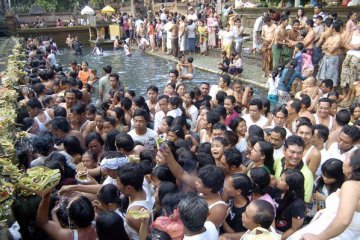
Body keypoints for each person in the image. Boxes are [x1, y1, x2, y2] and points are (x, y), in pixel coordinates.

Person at [289, 148, 360, 240]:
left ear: (353, 166)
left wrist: (318, 238)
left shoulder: (351, 186)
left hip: (335, 235)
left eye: (347, 158)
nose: (344, 160)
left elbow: (343, 220)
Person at [274, 135, 314, 203]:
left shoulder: (307, 175)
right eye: (292, 152)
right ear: (284, 150)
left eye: (300, 153)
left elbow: (304, 203)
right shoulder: (278, 161)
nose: (295, 156)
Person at [276, 169, 306, 239]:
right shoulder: (284, 192)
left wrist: (278, 238)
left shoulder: (298, 206)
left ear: (289, 186)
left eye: (281, 180)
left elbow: (294, 229)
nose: (278, 180)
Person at [221, 173, 253, 240]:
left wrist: (222, 219)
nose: (225, 187)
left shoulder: (245, 212)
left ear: (238, 191)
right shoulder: (231, 196)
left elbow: (233, 233)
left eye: (229, 186)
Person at [317, 21, 342, 87]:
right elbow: (322, 47)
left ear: (333, 29)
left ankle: (331, 91)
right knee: (322, 75)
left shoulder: (338, 38)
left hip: (333, 59)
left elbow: (331, 50)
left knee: (332, 76)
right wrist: (328, 46)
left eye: (330, 27)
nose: (328, 29)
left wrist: (326, 47)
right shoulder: (330, 38)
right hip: (326, 57)